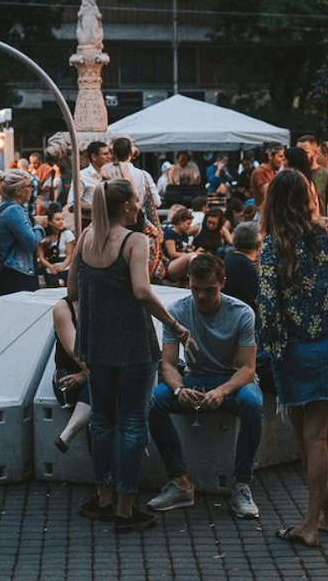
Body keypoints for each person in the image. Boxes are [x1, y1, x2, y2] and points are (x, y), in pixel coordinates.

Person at [68, 178, 193, 534]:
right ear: (125, 206)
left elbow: (73, 289)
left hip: (96, 345)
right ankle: (125, 507)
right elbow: (142, 290)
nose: (139, 207)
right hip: (133, 346)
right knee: (134, 423)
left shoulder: (86, 240)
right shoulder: (133, 240)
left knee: (102, 421)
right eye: (136, 201)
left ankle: (103, 498)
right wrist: (175, 324)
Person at [256, 169, 328, 548]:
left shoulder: (272, 245)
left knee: (306, 440)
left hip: (290, 351)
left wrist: (272, 346)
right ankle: (326, 518)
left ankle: (311, 524)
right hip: (327, 348)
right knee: (315, 440)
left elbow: (266, 303)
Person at [146, 254, 263, 519]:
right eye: (195, 289)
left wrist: (222, 390)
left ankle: (242, 484)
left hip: (231, 379)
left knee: (252, 404)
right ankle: (181, 481)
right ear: (188, 281)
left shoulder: (242, 312)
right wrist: (178, 389)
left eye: (209, 290)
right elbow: (168, 365)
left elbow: (247, 368)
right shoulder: (176, 311)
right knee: (153, 401)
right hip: (194, 378)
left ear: (222, 282)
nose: (201, 296)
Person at [0, 169, 45, 297]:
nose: (31, 189)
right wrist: (40, 227)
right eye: (28, 186)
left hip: (1, 269)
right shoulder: (15, 211)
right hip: (16, 273)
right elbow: (30, 242)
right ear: (18, 191)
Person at [51, 297, 90, 453]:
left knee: (101, 386)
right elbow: (76, 352)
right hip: (69, 376)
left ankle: (67, 434)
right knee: (102, 385)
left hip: (93, 374)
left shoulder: (106, 301)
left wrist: (85, 375)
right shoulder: (63, 308)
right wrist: (87, 373)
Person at [250, 146, 283, 212]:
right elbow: (268, 194)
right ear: (270, 156)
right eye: (280, 156)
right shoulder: (260, 172)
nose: (282, 160)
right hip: (263, 214)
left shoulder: (272, 171)